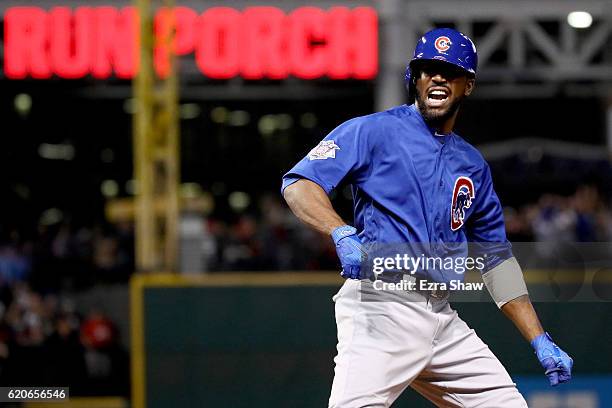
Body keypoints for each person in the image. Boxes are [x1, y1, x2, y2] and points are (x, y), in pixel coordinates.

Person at [281, 28, 572, 407]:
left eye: (449, 72)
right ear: (413, 79)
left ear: (467, 85)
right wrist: (339, 231)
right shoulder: (373, 131)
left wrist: (539, 338)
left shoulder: (473, 166)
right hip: (380, 304)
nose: (436, 77)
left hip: (440, 314)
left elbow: (496, 261)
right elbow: (300, 183)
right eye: (427, 69)